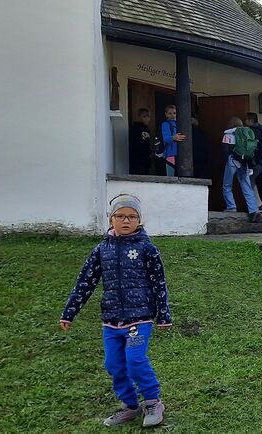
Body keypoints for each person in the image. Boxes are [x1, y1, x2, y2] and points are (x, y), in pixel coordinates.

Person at [58, 194, 172, 428]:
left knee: (135, 359)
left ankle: (153, 402)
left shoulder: (147, 248)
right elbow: (85, 282)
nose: (126, 220)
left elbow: (159, 282)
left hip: (139, 318)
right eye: (120, 216)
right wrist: (69, 312)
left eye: (132, 216)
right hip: (111, 319)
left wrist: (163, 313)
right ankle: (131, 406)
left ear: (139, 220)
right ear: (111, 219)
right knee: (114, 364)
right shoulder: (101, 250)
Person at [221, 117, 260, 222]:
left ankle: (231, 207)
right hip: (244, 162)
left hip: (232, 161)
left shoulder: (228, 134)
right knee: (247, 186)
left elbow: (225, 150)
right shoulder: (247, 134)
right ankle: (254, 209)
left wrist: (225, 161)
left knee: (227, 185)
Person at [245, 112, 262, 217]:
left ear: (251, 120)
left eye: (246, 119)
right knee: (260, 183)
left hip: (257, 162)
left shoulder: (255, 131)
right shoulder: (261, 129)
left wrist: (255, 161)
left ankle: (252, 208)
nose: (245, 122)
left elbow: (254, 147)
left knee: (250, 183)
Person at [160, 105, 187, 176]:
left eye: (174, 113)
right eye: (170, 113)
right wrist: (173, 138)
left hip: (181, 153)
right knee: (171, 176)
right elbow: (165, 138)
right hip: (170, 154)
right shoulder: (165, 124)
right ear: (166, 114)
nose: (172, 115)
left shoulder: (180, 123)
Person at [128, 108, 153, 175]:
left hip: (146, 161)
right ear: (139, 117)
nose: (147, 119)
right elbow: (135, 144)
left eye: (148, 117)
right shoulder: (135, 128)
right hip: (137, 160)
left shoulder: (147, 129)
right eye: (144, 116)